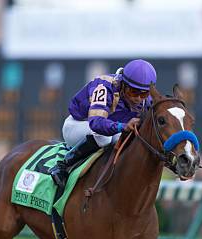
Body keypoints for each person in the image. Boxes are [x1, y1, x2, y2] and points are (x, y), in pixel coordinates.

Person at [49, 59, 157, 188]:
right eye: (133, 92)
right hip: (79, 125)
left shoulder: (147, 101)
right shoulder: (104, 86)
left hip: (108, 131)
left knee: (129, 139)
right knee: (105, 138)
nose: (138, 98)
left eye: (144, 93)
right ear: (123, 84)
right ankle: (63, 166)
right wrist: (122, 126)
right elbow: (96, 123)